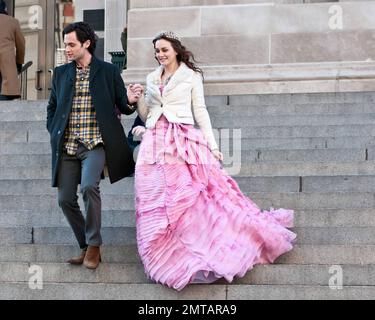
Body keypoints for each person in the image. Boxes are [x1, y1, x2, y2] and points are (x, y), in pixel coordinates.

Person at [134, 31, 297, 291]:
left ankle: (195, 249)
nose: (160, 54)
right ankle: (169, 251)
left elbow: (200, 111)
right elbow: (149, 113)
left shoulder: (191, 75)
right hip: (155, 142)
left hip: (183, 139)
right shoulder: (153, 77)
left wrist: (213, 145)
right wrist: (139, 99)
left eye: (164, 49)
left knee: (187, 196)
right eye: (156, 51)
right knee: (155, 197)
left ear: (176, 49)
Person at [46, 22, 142, 270]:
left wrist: (131, 101)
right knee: (65, 199)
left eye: (71, 44)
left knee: (89, 186)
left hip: (95, 144)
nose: (66, 48)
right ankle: (85, 246)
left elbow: (122, 105)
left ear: (86, 43)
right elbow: (52, 108)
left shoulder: (108, 72)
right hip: (67, 146)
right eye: (65, 44)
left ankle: (95, 244)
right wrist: (53, 130)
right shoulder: (61, 73)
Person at [0, 0, 25, 100]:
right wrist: (19, 63)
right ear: (5, 9)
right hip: (6, 66)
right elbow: (21, 45)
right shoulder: (12, 21)